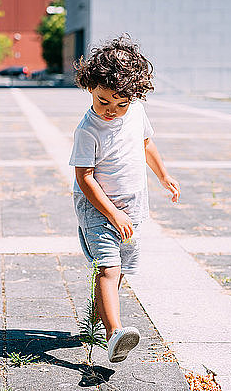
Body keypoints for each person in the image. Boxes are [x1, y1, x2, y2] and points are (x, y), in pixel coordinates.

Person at [69, 34, 180, 363]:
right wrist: (113, 215)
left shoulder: (135, 113)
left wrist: (163, 175)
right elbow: (84, 177)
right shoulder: (88, 130)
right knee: (109, 270)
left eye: (121, 104)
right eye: (103, 102)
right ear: (91, 86)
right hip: (98, 209)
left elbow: (146, 143)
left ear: (134, 96)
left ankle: (104, 320)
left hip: (131, 209)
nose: (111, 112)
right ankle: (115, 332)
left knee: (118, 271)